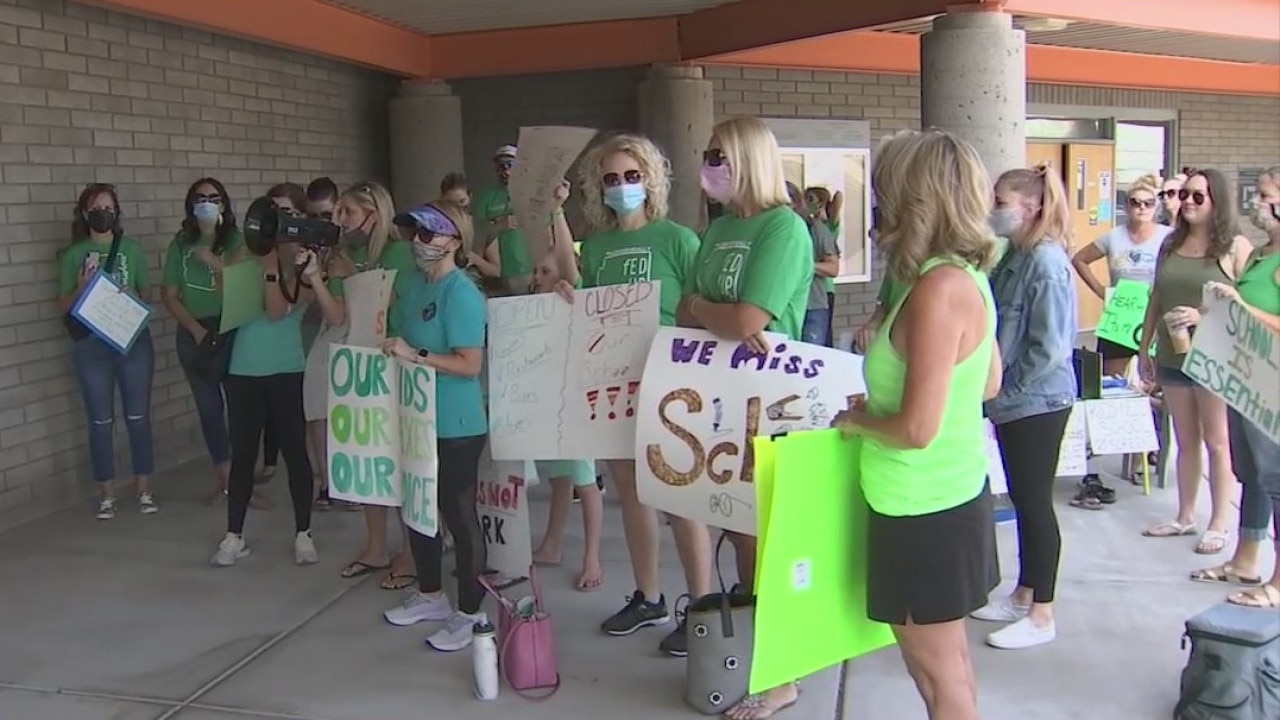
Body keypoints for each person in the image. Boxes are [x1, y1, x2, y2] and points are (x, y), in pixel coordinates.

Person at [834, 128, 1001, 720]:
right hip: (946, 496)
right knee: (948, 669)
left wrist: (857, 421)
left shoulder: (937, 289)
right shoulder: (960, 276)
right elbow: (988, 381)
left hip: (921, 506)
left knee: (939, 679)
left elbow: (915, 429)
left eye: (882, 192)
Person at [676, 116, 813, 716]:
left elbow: (750, 319)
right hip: (714, 397)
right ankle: (752, 651)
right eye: (707, 156)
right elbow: (687, 309)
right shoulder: (721, 226)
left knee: (764, 536)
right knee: (736, 529)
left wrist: (713, 312)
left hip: (773, 400)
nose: (709, 166)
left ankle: (781, 672)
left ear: (750, 159)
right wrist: (715, 313)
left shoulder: (784, 228)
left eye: (719, 156)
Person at [551, 133, 700, 634]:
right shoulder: (597, 244)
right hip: (615, 381)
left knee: (681, 498)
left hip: (669, 380)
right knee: (631, 493)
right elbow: (588, 298)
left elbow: (698, 306)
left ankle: (699, 609)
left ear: (651, 180)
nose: (622, 187)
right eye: (611, 179)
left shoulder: (677, 239)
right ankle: (649, 596)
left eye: (632, 177)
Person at [971, 165, 1078, 651]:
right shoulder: (1014, 256)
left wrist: (1001, 390)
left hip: (1037, 400)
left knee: (1034, 504)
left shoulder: (1046, 262)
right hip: (1017, 401)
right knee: (1022, 498)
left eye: (1001, 200)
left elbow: (1049, 348)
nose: (994, 208)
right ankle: (1023, 593)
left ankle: (1043, 612)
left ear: (1030, 206)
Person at [379, 201, 491, 652]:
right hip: (415, 416)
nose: (419, 243)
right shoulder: (411, 282)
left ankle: (471, 611)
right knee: (418, 507)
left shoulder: (462, 293)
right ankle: (430, 594)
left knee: (459, 514)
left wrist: (416, 356)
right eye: (415, 234)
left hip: (457, 422)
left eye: (429, 234)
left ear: (454, 241)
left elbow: (469, 364)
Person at [209, 197, 342, 568]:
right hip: (242, 373)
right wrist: (247, 259)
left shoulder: (303, 267)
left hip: (285, 370)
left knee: (294, 454)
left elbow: (276, 310)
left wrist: (271, 267)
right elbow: (226, 292)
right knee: (244, 454)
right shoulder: (247, 254)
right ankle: (234, 534)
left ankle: (303, 533)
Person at [1139, 169, 1253, 554]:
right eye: (1183, 195)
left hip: (1215, 356)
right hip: (1172, 352)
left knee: (1217, 442)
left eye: (1197, 196)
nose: (1187, 202)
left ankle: (1219, 522)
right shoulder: (1170, 243)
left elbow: (1248, 308)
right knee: (1186, 440)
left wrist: (1204, 317)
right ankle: (1185, 515)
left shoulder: (1235, 247)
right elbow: (1157, 295)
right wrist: (1145, 347)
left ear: (1217, 201)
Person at [1191, 166, 1280, 607]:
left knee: (1276, 479)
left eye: (1264, 196)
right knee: (1254, 475)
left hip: (1273, 387)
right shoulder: (1263, 255)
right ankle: (1246, 558)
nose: (1256, 204)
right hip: (1245, 380)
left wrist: (1241, 307)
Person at [59, 183, 158, 520]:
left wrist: (130, 293)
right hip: (91, 346)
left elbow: (147, 296)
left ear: (116, 212)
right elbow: (63, 304)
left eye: (108, 207)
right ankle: (106, 494)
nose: (103, 213)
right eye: (96, 207)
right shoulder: (73, 254)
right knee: (100, 420)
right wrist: (83, 286)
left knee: (138, 417)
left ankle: (143, 488)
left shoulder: (131, 249)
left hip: (132, 340)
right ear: (85, 212)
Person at [527, 256, 607, 591]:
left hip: (576, 403)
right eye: (536, 270)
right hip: (549, 400)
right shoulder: (534, 309)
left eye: (544, 272)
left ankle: (592, 558)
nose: (536, 277)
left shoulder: (576, 305)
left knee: (583, 480)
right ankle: (552, 543)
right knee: (560, 476)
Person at [162, 178, 241, 506]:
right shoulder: (180, 244)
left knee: (240, 411)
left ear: (224, 204)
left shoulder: (237, 240)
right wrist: (195, 330)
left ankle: (243, 483)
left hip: (232, 330)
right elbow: (169, 294)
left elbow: (241, 287)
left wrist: (214, 262)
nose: (207, 203)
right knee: (209, 411)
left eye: (214, 197)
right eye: (200, 198)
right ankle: (226, 482)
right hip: (194, 332)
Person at [1071, 174, 1173, 376]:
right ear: (1126, 206)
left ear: (1156, 207)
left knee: (1154, 376)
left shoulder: (1168, 236)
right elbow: (1079, 259)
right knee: (1111, 375)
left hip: (1154, 310)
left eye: (1148, 203)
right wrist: (1102, 291)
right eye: (1135, 203)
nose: (1142, 208)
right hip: (1121, 314)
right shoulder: (1113, 236)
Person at [473, 145, 533, 293]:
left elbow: (547, 231)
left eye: (510, 165)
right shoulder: (486, 197)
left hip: (530, 270)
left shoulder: (532, 195)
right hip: (497, 272)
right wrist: (498, 225)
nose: (505, 171)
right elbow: (477, 233)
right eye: (501, 167)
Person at [788, 182, 840, 345]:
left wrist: (803, 266)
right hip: (784, 308)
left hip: (812, 306)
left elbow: (833, 268)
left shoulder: (817, 229)